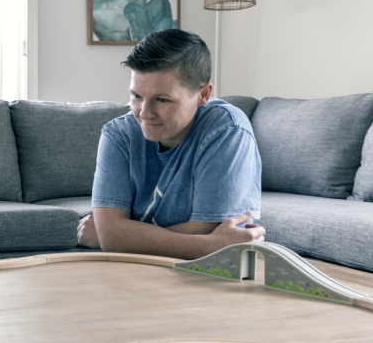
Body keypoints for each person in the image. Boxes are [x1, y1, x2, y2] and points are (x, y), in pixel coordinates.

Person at [77, 29, 265, 259]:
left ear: (203, 94)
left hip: (204, 276)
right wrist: (207, 246)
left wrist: (119, 238)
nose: (145, 113)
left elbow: (209, 229)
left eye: (162, 99)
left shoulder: (227, 129)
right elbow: (111, 236)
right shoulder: (118, 133)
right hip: (131, 272)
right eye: (136, 96)